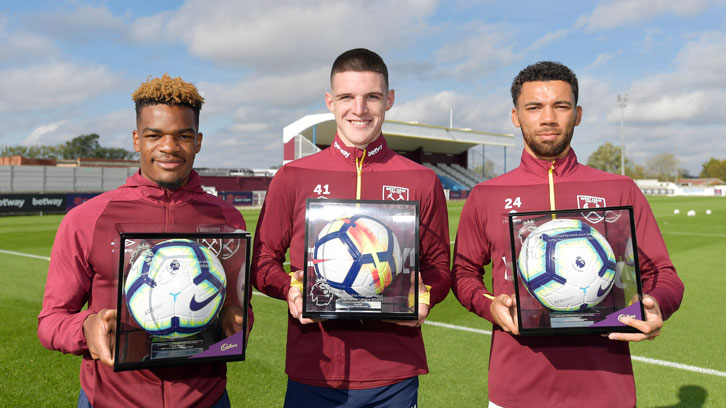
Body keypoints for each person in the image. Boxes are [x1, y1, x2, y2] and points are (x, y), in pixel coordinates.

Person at [452, 61, 684, 408]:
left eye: (560, 106)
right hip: (516, 390)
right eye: (534, 107)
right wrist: (491, 306)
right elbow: (464, 274)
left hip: (607, 391)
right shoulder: (486, 195)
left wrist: (654, 305)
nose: (548, 118)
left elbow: (664, 275)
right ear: (516, 116)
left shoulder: (619, 189)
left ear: (577, 114)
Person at [251, 48, 451, 407]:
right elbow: (263, 261)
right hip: (314, 371)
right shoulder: (293, 177)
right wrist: (289, 289)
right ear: (330, 101)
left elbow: (439, 269)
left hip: (394, 375)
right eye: (346, 97)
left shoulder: (422, 180)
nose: (359, 110)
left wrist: (426, 296)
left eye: (371, 97)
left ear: (389, 100)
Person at [38, 73, 250, 407]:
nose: (169, 147)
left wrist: (236, 320)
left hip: (206, 400)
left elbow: (241, 309)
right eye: (155, 135)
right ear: (137, 140)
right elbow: (51, 321)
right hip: (111, 400)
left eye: (183, 135)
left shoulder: (228, 221)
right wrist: (86, 328)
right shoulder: (87, 219)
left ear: (199, 141)